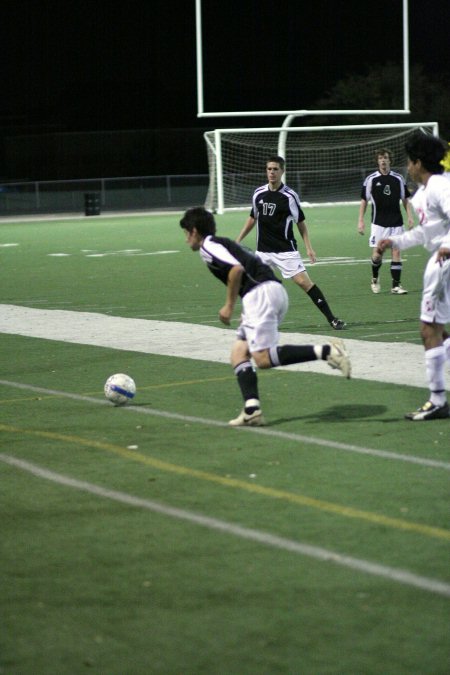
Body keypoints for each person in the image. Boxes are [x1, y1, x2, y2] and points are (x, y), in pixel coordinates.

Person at [180, 206, 351, 427]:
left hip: (261, 295)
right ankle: (252, 410)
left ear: (194, 231)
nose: (186, 240)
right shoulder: (220, 243)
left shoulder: (209, 245)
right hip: (267, 292)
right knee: (239, 353)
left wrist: (229, 306)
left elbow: (236, 270)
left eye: (186, 234)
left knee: (262, 358)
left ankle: (328, 351)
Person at [378, 131, 450, 421]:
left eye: (409, 162)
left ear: (419, 163)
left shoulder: (439, 186)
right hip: (440, 259)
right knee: (437, 331)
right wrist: (395, 243)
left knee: (427, 330)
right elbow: (426, 231)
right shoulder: (423, 193)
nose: (407, 167)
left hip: (444, 261)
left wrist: (447, 246)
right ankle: (438, 399)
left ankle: (437, 400)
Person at [235, 156, 346, 330]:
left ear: (282, 171)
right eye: (269, 169)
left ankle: (332, 318)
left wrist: (309, 248)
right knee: (255, 286)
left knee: (304, 283)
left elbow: (300, 223)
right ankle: (251, 320)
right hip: (263, 251)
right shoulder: (258, 193)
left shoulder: (290, 196)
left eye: (275, 169)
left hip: (285, 250)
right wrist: (238, 240)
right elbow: (252, 218)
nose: (272, 172)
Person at [358, 148, 414, 294]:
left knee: (396, 252)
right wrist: (361, 221)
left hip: (396, 222)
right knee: (378, 254)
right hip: (379, 223)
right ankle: (375, 277)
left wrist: (410, 217)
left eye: (385, 158)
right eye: (380, 158)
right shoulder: (371, 179)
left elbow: (405, 200)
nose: (383, 160)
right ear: (377, 161)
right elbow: (364, 200)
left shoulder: (398, 179)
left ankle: (396, 285)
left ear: (390, 160)